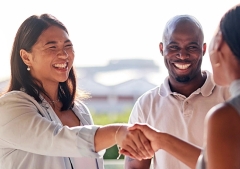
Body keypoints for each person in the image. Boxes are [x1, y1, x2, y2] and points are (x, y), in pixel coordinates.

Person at [0, 14, 154, 169]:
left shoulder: (79, 110)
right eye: (52, 47)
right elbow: (58, 139)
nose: (64, 54)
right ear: (26, 57)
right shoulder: (10, 108)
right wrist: (117, 132)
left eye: (68, 46)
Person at [123, 4, 240, 169]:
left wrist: (163, 140)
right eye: (174, 47)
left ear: (204, 49)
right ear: (161, 49)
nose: (183, 55)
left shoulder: (228, 102)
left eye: (191, 47)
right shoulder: (146, 105)